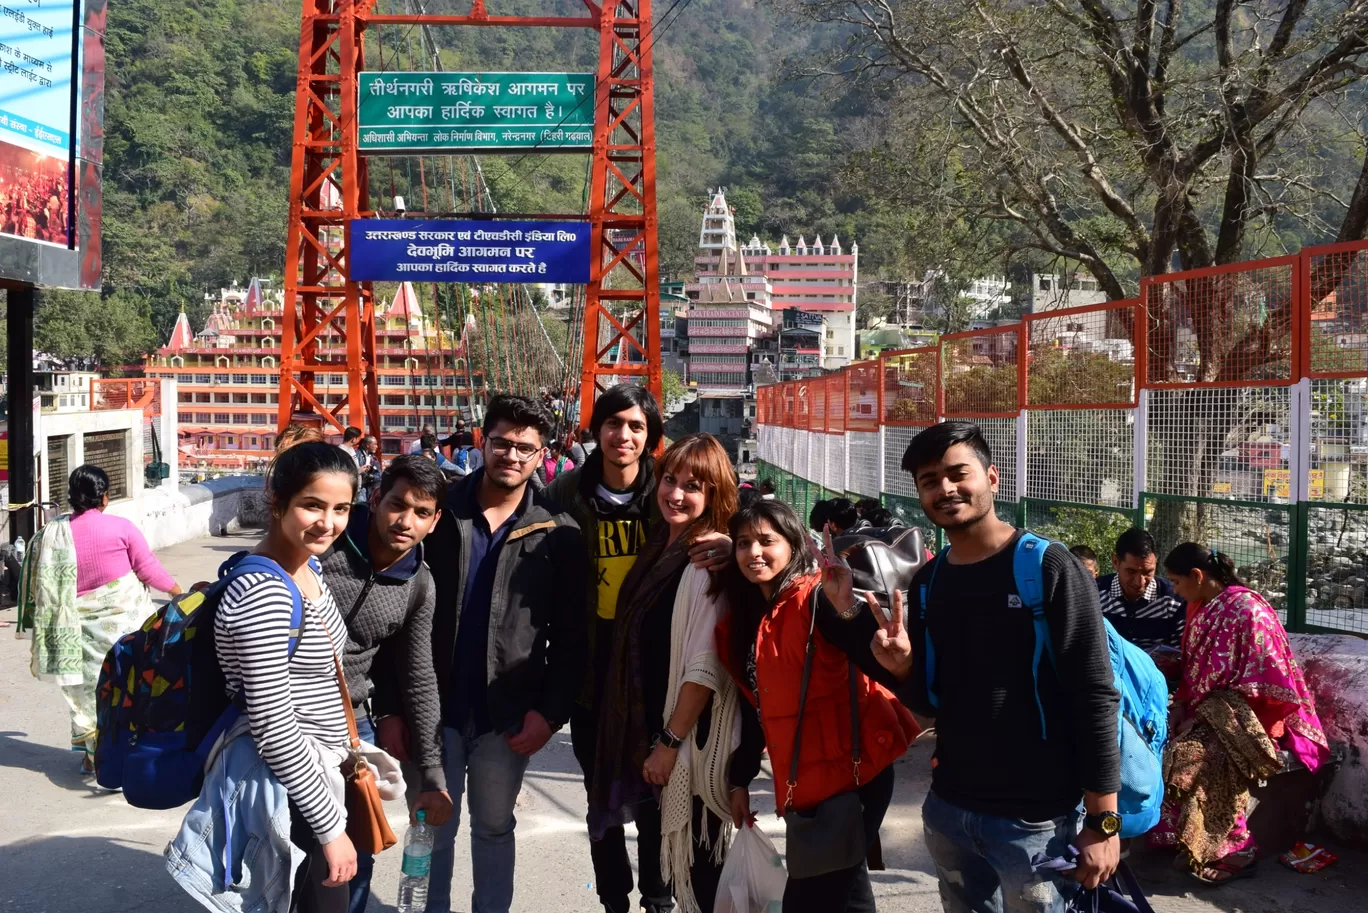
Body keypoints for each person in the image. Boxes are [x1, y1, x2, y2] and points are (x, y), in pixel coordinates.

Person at [851, 421, 1121, 910]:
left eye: (958, 474)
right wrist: (904, 668)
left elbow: (1095, 694)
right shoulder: (931, 581)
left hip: (1036, 823)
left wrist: (1103, 822)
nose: (946, 489)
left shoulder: (1046, 567)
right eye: (930, 481)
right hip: (950, 811)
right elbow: (933, 705)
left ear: (992, 478)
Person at [544, 384, 730, 913]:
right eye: (611, 422)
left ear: (650, 437)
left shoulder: (663, 497)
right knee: (598, 789)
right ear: (595, 428)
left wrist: (732, 536)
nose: (621, 435)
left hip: (656, 676)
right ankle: (613, 900)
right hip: (591, 671)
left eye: (635, 426)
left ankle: (658, 895)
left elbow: (741, 516)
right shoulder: (565, 494)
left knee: (655, 796)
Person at [424, 394, 588, 913]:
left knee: (494, 828)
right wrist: (391, 709)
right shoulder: (436, 514)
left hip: (507, 714)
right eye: (501, 443)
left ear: (541, 456)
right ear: (483, 442)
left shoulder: (558, 533)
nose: (511, 456)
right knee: (432, 829)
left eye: (525, 448)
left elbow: (572, 638)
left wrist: (548, 713)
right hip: (435, 706)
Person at [717, 498, 918, 913]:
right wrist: (741, 778)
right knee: (845, 892)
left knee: (818, 896)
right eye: (742, 543)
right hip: (807, 778)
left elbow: (868, 653)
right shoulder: (753, 614)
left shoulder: (815, 599)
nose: (753, 552)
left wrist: (852, 615)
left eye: (766, 541)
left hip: (853, 772)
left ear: (793, 544)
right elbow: (759, 706)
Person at [588, 433, 741, 913]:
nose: (675, 494)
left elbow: (703, 668)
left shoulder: (708, 562)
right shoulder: (661, 540)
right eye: (669, 480)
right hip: (644, 725)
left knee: (690, 870)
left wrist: (668, 744)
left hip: (684, 740)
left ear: (715, 494)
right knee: (664, 853)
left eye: (693, 486)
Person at [215, 441, 359, 911]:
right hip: (288, 793)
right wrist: (330, 827)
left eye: (341, 508)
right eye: (312, 505)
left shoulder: (308, 567)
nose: (329, 522)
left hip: (316, 781)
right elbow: (274, 725)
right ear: (277, 503)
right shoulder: (264, 593)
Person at [1150, 543, 1330, 884]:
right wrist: (1182, 707)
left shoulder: (1248, 610)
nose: (1173, 590)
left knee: (1197, 756)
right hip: (1210, 708)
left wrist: (1205, 714)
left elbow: (1268, 682)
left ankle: (1239, 850)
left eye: (1175, 581)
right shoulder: (1202, 607)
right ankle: (1188, 840)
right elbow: (1195, 672)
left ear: (1198, 576)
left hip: (1253, 714)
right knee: (1163, 737)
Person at [320, 454, 452, 913]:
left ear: (434, 523)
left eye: (421, 513)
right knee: (282, 850)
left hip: (351, 727)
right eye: (398, 504)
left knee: (357, 852)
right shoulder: (324, 543)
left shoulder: (419, 585)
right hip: (282, 715)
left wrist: (433, 774)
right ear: (375, 500)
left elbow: (419, 677)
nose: (405, 521)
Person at [20, 465, 182, 773]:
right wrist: (178, 592)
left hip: (75, 630)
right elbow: (147, 568)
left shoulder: (54, 533)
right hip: (124, 630)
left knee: (88, 691)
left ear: (71, 497)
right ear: (104, 498)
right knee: (128, 687)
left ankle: (92, 756)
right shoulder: (121, 528)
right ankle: (126, 754)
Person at [1096, 528, 1185, 651]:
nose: (1139, 582)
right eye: (1131, 571)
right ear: (1115, 562)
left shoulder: (1174, 600)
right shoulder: (1095, 594)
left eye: (1147, 572)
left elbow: (1180, 653)